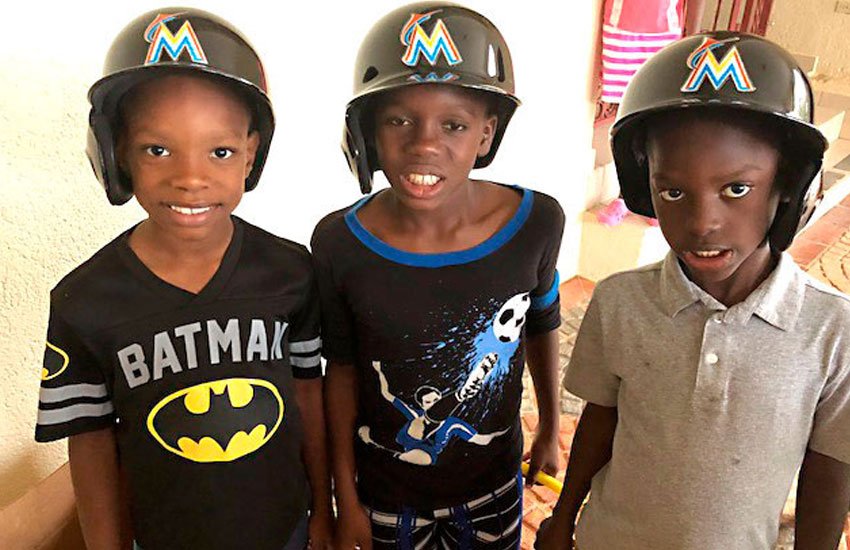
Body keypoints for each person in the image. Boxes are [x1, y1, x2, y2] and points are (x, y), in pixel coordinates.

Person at [536, 32, 850, 550]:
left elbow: (829, 468)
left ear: (788, 186)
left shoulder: (831, 329)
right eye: (674, 191)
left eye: (736, 189)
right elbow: (601, 419)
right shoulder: (620, 303)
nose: (702, 222)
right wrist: (564, 515)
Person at [34, 9, 331, 550]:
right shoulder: (84, 301)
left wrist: (324, 512)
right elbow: (91, 444)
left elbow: (309, 397)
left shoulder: (291, 270)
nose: (190, 178)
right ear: (118, 151)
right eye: (157, 149)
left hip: (284, 532)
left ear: (251, 154)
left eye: (219, 152)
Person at [311, 3, 565, 549]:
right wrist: (343, 497)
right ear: (369, 131)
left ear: (486, 132)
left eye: (453, 124)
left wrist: (549, 426)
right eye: (399, 120)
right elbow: (343, 371)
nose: (424, 143)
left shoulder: (537, 223)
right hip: (381, 495)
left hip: (492, 488)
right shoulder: (337, 242)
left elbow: (541, 323)